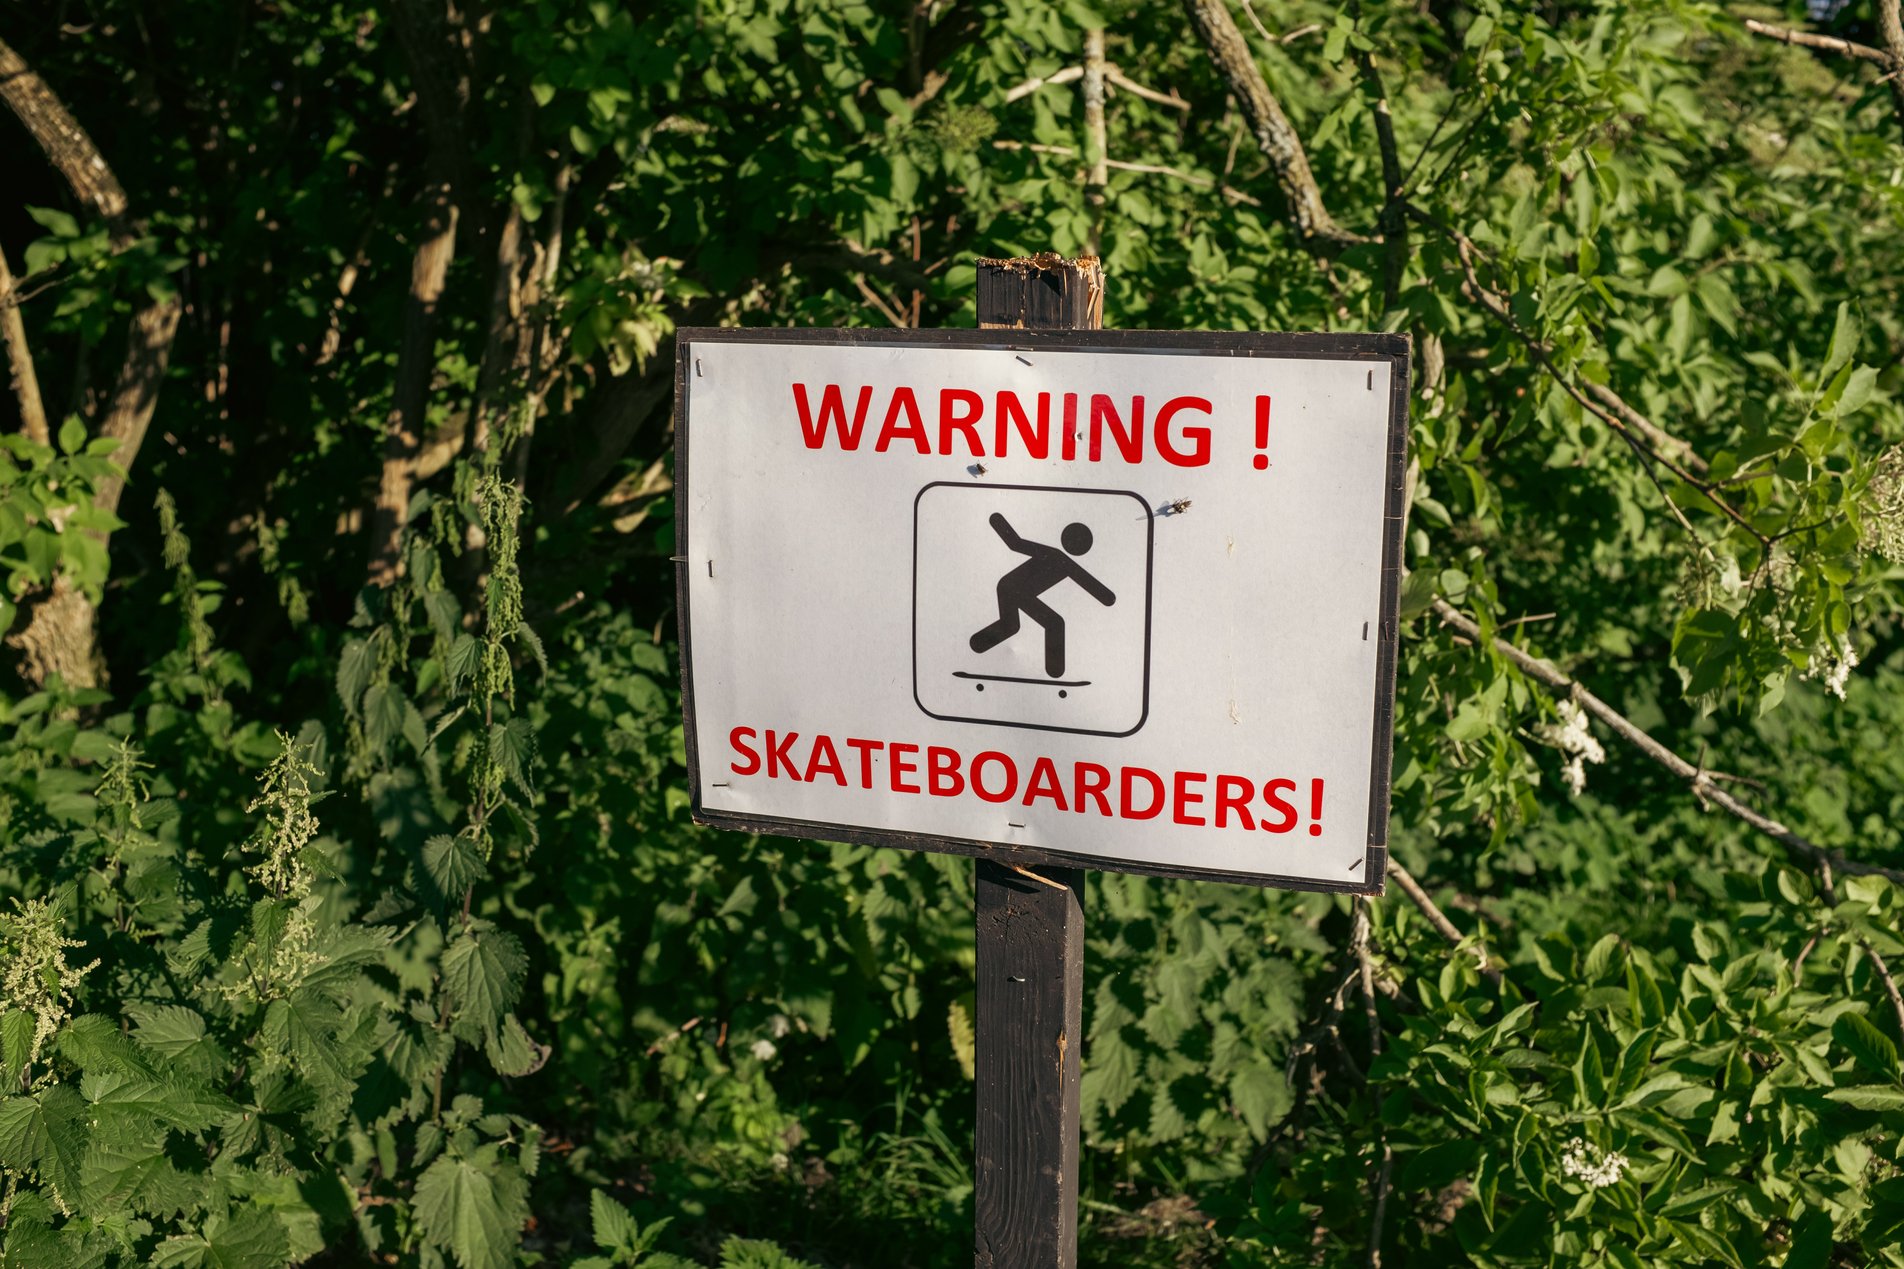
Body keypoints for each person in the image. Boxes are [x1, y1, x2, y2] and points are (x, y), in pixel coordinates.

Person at [968, 514, 1115, 677]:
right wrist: (997, 522)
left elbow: (1089, 583)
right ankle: (1054, 670)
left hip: (1012, 589)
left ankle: (978, 644)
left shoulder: (1063, 560)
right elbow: (1015, 543)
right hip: (1011, 588)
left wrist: (1107, 597)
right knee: (1053, 623)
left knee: (1012, 625)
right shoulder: (1054, 555)